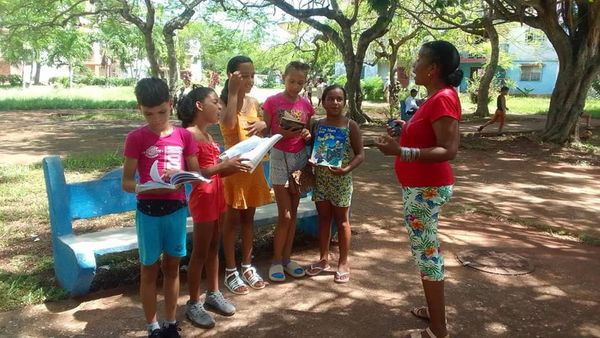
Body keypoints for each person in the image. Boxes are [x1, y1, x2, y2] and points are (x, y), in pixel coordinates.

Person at [375, 40, 463, 338]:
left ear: (433, 68)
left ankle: (438, 328)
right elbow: (427, 136)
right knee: (427, 252)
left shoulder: (442, 98)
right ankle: (434, 311)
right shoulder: (435, 98)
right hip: (420, 187)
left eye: (419, 59)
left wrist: (401, 151)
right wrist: (405, 126)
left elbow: (448, 149)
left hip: (426, 188)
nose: (414, 65)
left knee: (428, 255)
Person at [121, 77, 201, 338]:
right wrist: (141, 187)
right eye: (148, 114)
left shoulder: (183, 136)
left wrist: (181, 173)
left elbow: (196, 171)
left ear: (171, 104)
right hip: (148, 212)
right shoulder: (136, 138)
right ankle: (152, 325)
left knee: (172, 267)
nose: (155, 119)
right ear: (139, 109)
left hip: (175, 210)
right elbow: (127, 182)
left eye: (162, 112)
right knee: (148, 268)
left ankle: (169, 322)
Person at [177, 87, 252, 328]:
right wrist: (224, 166)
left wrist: (237, 165)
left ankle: (213, 293)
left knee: (213, 248)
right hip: (203, 198)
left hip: (217, 195)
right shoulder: (188, 134)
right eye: (214, 102)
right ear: (199, 106)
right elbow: (195, 174)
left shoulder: (207, 136)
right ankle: (193, 302)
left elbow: (218, 170)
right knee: (200, 252)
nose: (220, 107)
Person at [219, 56, 272, 295]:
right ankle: (231, 270)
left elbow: (261, 129)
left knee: (248, 221)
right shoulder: (221, 102)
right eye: (244, 76)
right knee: (230, 224)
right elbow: (229, 125)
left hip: (253, 169)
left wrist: (263, 126)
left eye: (252, 75)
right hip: (232, 171)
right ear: (232, 76)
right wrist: (232, 94)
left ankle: (247, 266)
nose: (250, 80)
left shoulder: (254, 102)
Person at [305, 84, 364, 283]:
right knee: (323, 220)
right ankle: (323, 260)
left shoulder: (350, 126)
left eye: (339, 99)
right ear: (323, 102)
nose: (335, 103)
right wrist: (313, 159)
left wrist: (347, 169)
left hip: (342, 180)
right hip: (321, 180)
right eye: (330, 98)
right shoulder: (318, 125)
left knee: (342, 222)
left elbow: (360, 154)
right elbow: (315, 149)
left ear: (345, 103)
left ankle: (343, 262)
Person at [263, 61, 315, 282]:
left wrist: (305, 134)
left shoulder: (306, 104)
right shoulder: (272, 102)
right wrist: (277, 132)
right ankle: (276, 260)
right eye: (292, 81)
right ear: (283, 77)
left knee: (292, 214)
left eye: (300, 82)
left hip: (299, 160)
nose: (295, 86)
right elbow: (265, 133)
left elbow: (308, 131)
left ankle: (286, 258)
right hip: (278, 158)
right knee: (284, 214)